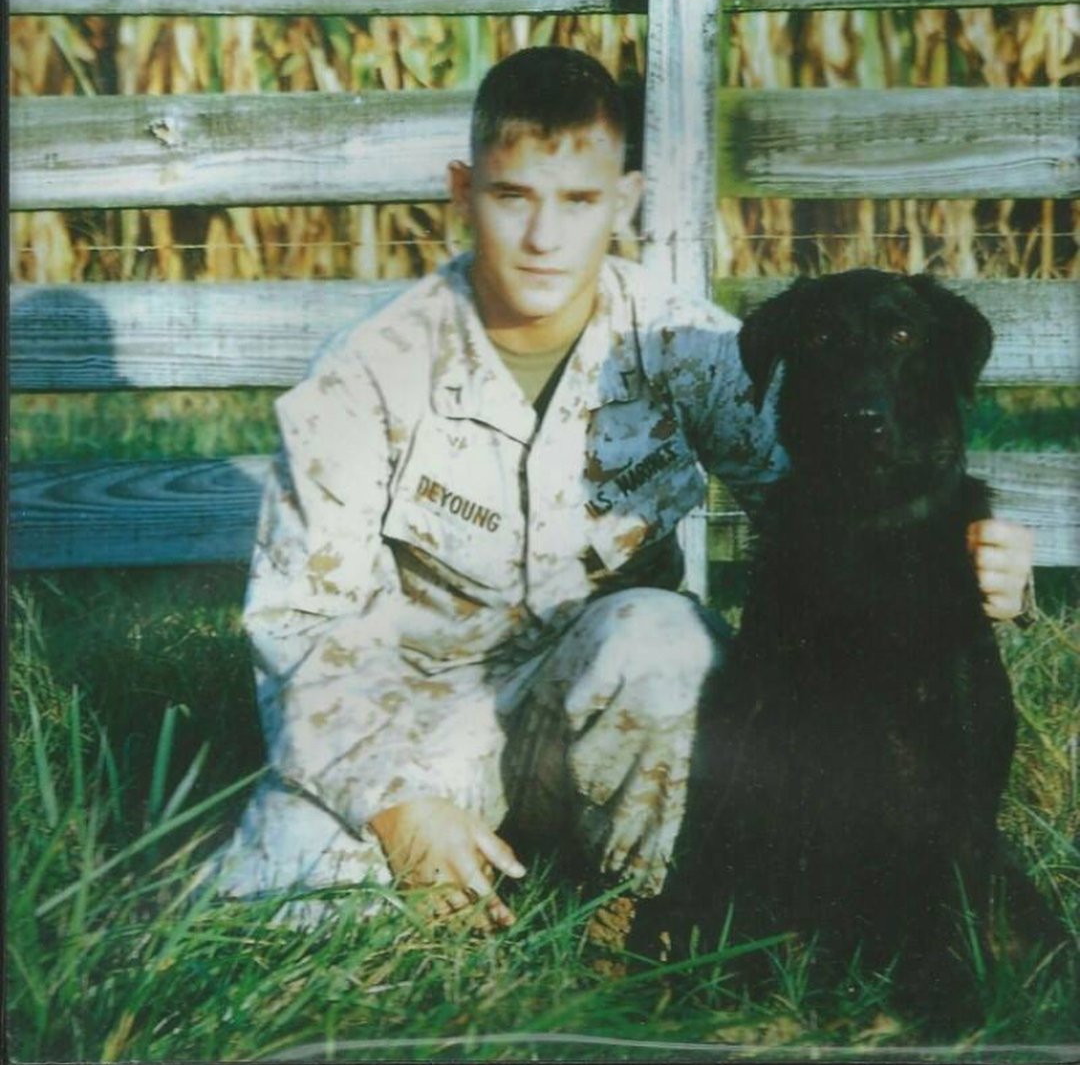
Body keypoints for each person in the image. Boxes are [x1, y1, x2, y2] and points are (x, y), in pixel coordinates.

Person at [205, 46, 1035, 933]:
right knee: (277, 919)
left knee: (666, 639)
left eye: (579, 201)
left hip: (613, 701)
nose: (543, 237)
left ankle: (633, 916)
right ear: (461, 189)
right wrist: (394, 804)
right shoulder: (364, 377)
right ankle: (447, 867)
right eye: (512, 195)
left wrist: (984, 554)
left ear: (624, 201)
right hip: (419, 721)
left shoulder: (681, 345)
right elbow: (297, 629)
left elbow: (845, 486)